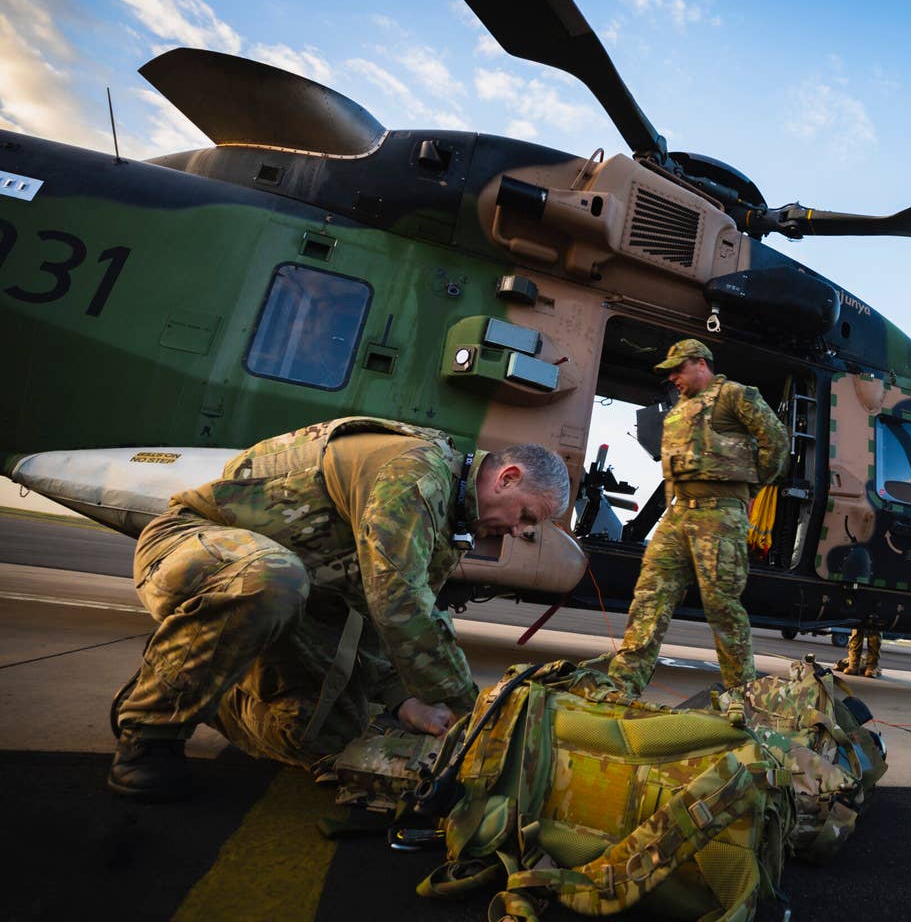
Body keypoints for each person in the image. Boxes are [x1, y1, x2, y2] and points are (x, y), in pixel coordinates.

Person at [108, 417, 571, 801]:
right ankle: (149, 730)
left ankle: (199, 676)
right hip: (193, 547)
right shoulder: (417, 473)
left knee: (328, 739)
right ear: (508, 478)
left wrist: (403, 700)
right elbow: (399, 605)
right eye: (527, 516)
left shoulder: (452, 524)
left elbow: (381, 615)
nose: (520, 531)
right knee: (271, 577)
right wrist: (472, 713)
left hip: (294, 597)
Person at [608, 339, 787, 699]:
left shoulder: (735, 396)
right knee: (649, 596)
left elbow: (777, 443)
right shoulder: (678, 411)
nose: (672, 376)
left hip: (719, 515)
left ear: (701, 364)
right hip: (679, 516)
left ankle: (742, 693)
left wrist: (747, 489)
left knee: (721, 605)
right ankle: (621, 685)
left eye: (678, 368)